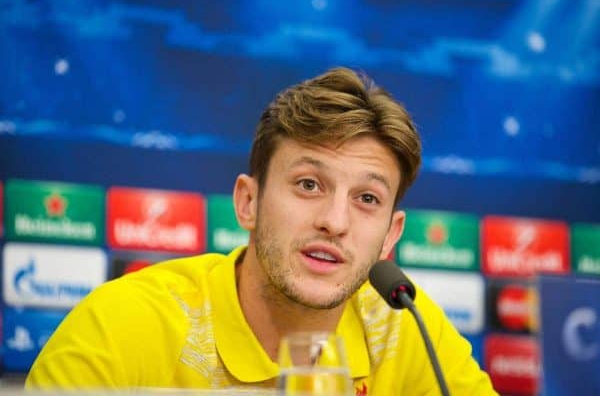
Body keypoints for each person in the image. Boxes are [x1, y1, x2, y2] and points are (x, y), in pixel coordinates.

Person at [26, 67, 498, 395]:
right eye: (309, 184)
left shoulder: (406, 326)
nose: (334, 221)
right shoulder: (122, 323)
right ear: (248, 202)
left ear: (391, 234)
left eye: (367, 199)